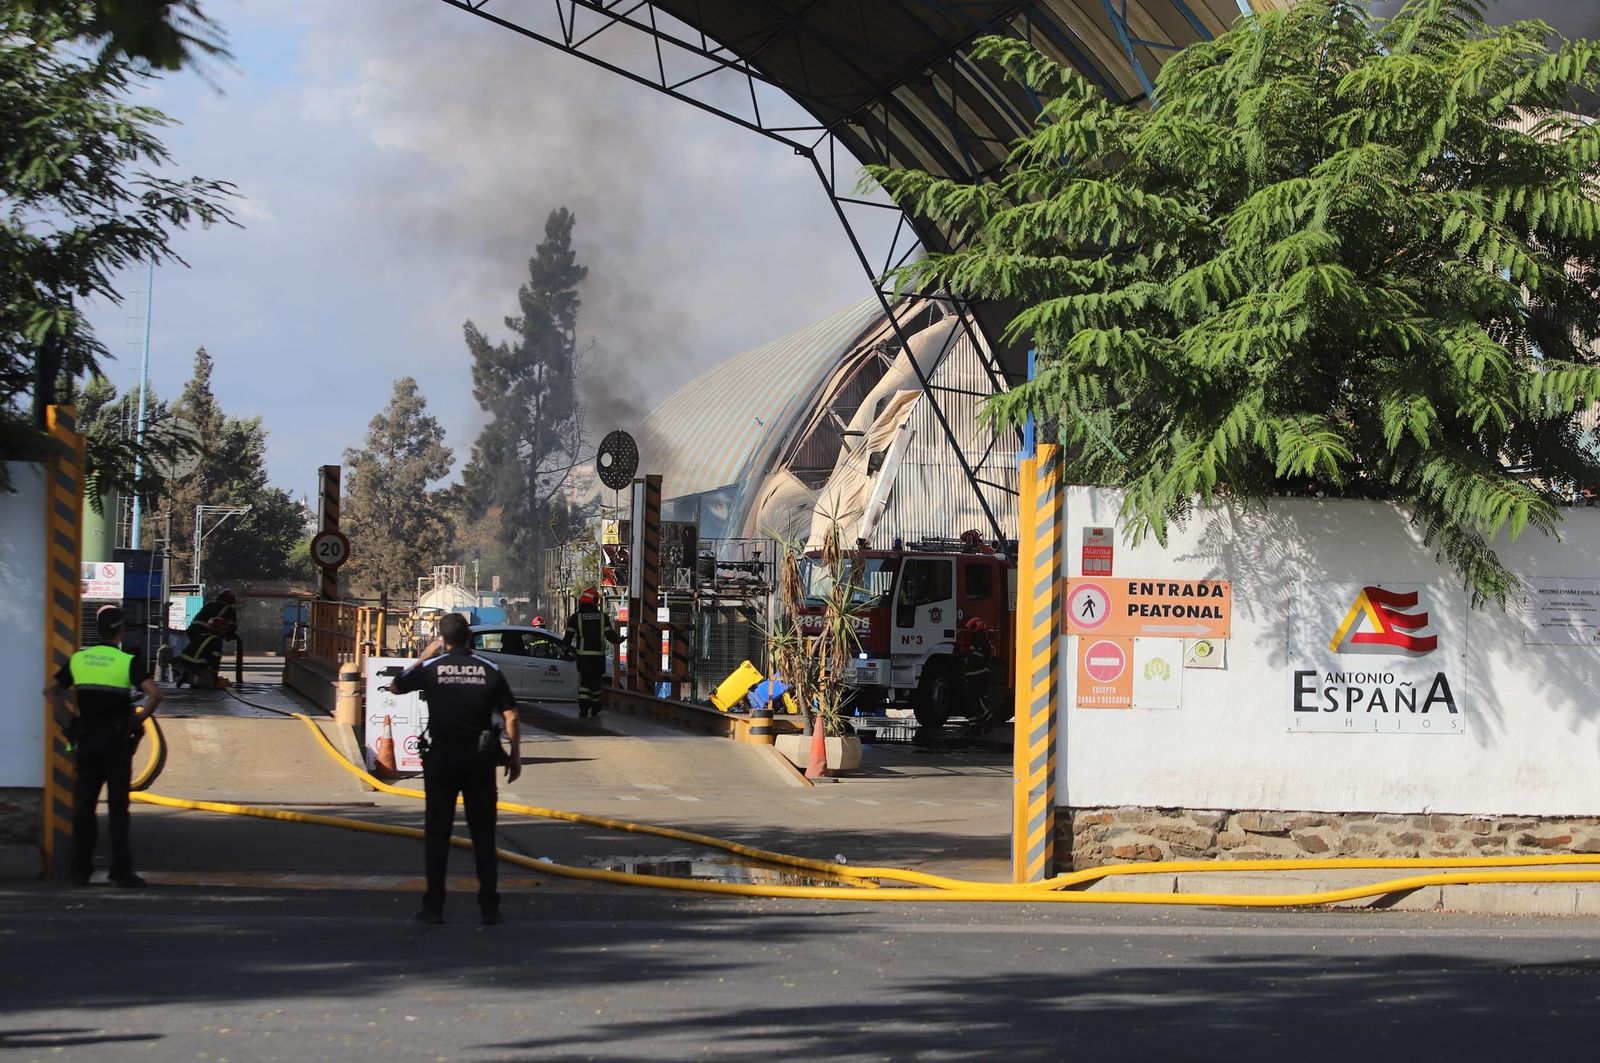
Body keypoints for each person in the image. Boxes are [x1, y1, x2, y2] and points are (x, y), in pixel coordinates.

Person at [390, 612, 520, 925]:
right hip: (479, 761)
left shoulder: (432, 668)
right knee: (483, 835)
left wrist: (423, 656)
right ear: (469, 638)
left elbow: (396, 687)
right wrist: (514, 757)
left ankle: (434, 906)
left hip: (441, 760)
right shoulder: (489, 669)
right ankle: (489, 907)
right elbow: (511, 717)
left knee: (437, 834)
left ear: (442, 639)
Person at [43, 605, 164, 887]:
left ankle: (79, 870)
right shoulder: (127, 661)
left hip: (86, 740)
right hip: (117, 742)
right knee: (117, 807)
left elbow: (50, 690)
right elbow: (156, 693)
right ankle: (120, 871)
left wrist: (69, 724)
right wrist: (138, 721)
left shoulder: (78, 659)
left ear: (97, 630)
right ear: (120, 631)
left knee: (84, 805)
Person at [564, 587, 620, 718]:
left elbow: (568, 637)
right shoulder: (602, 617)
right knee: (596, 683)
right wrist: (619, 640)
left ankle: (583, 709)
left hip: (583, 657)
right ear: (594, 600)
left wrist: (565, 650)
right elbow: (610, 636)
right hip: (598, 657)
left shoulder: (575, 618)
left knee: (584, 683)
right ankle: (595, 707)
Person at [962, 618, 996, 735]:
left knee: (976, 701)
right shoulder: (977, 640)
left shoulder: (981, 641)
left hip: (979, 676)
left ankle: (989, 719)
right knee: (970, 702)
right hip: (973, 676)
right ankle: (974, 727)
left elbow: (977, 657)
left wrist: (967, 659)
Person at [173, 619, 228, 688]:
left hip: (183, 661)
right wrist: (214, 675)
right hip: (195, 663)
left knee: (201, 680)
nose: (225, 632)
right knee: (210, 683)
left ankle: (192, 678)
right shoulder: (216, 640)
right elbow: (215, 660)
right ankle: (189, 677)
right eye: (223, 629)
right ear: (217, 628)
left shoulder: (202, 635)